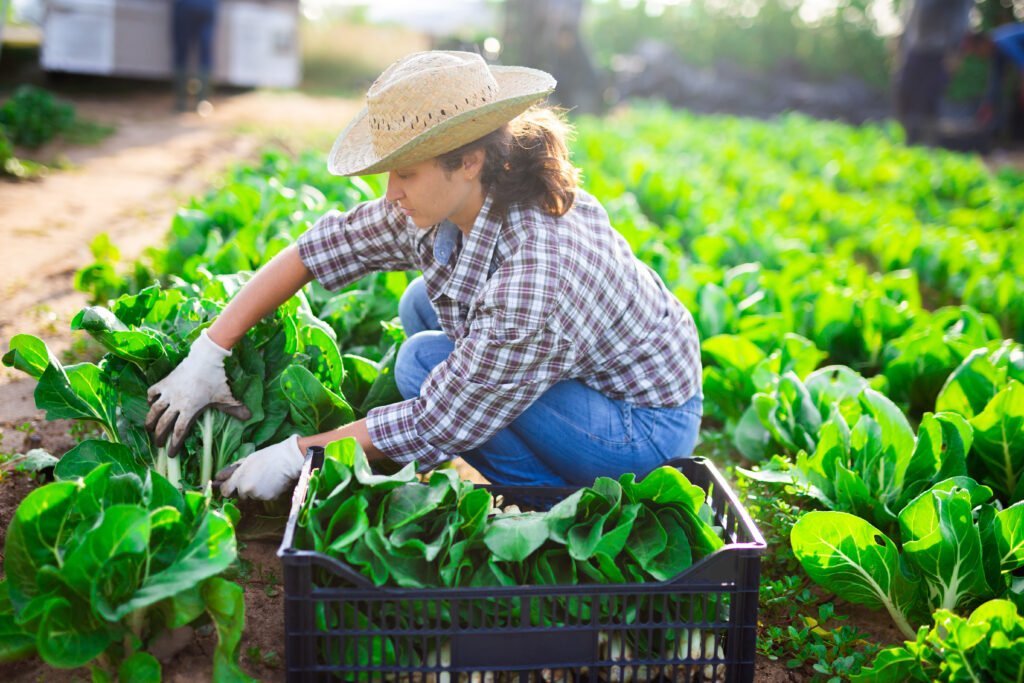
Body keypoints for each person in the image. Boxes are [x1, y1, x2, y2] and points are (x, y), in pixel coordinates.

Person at [145, 51, 703, 501]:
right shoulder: (452, 197)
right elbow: (316, 249)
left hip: (642, 427)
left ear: (468, 162)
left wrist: (299, 453)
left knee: (423, 363)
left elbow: (439, 418)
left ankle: (547, 500)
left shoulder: (539, 270)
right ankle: (530, 461)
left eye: (405, 174)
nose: (391, 194)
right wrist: (209, 352)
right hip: (580, 373)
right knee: (420, 303)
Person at [894, 0, 973, 145]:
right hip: (914, 48)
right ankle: (910, 139)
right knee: (905, 92)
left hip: (938, 50)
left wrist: (955, 50)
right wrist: (901, 44)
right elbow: (910, 14)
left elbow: (961, 17)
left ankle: (929, 143)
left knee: (930, 97)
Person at [966, 23, 1024, 131]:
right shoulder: (996, 53)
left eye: (977, 52)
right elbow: (995, 82)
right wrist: (988, 104)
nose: (979, 56)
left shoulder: (1003, 43)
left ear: (984, 44)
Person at [172, 0, 219, 113]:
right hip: (207, 5)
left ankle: (181, 102)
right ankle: (202, 102)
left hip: (185, 5)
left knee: (181, 51)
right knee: (205, 50)